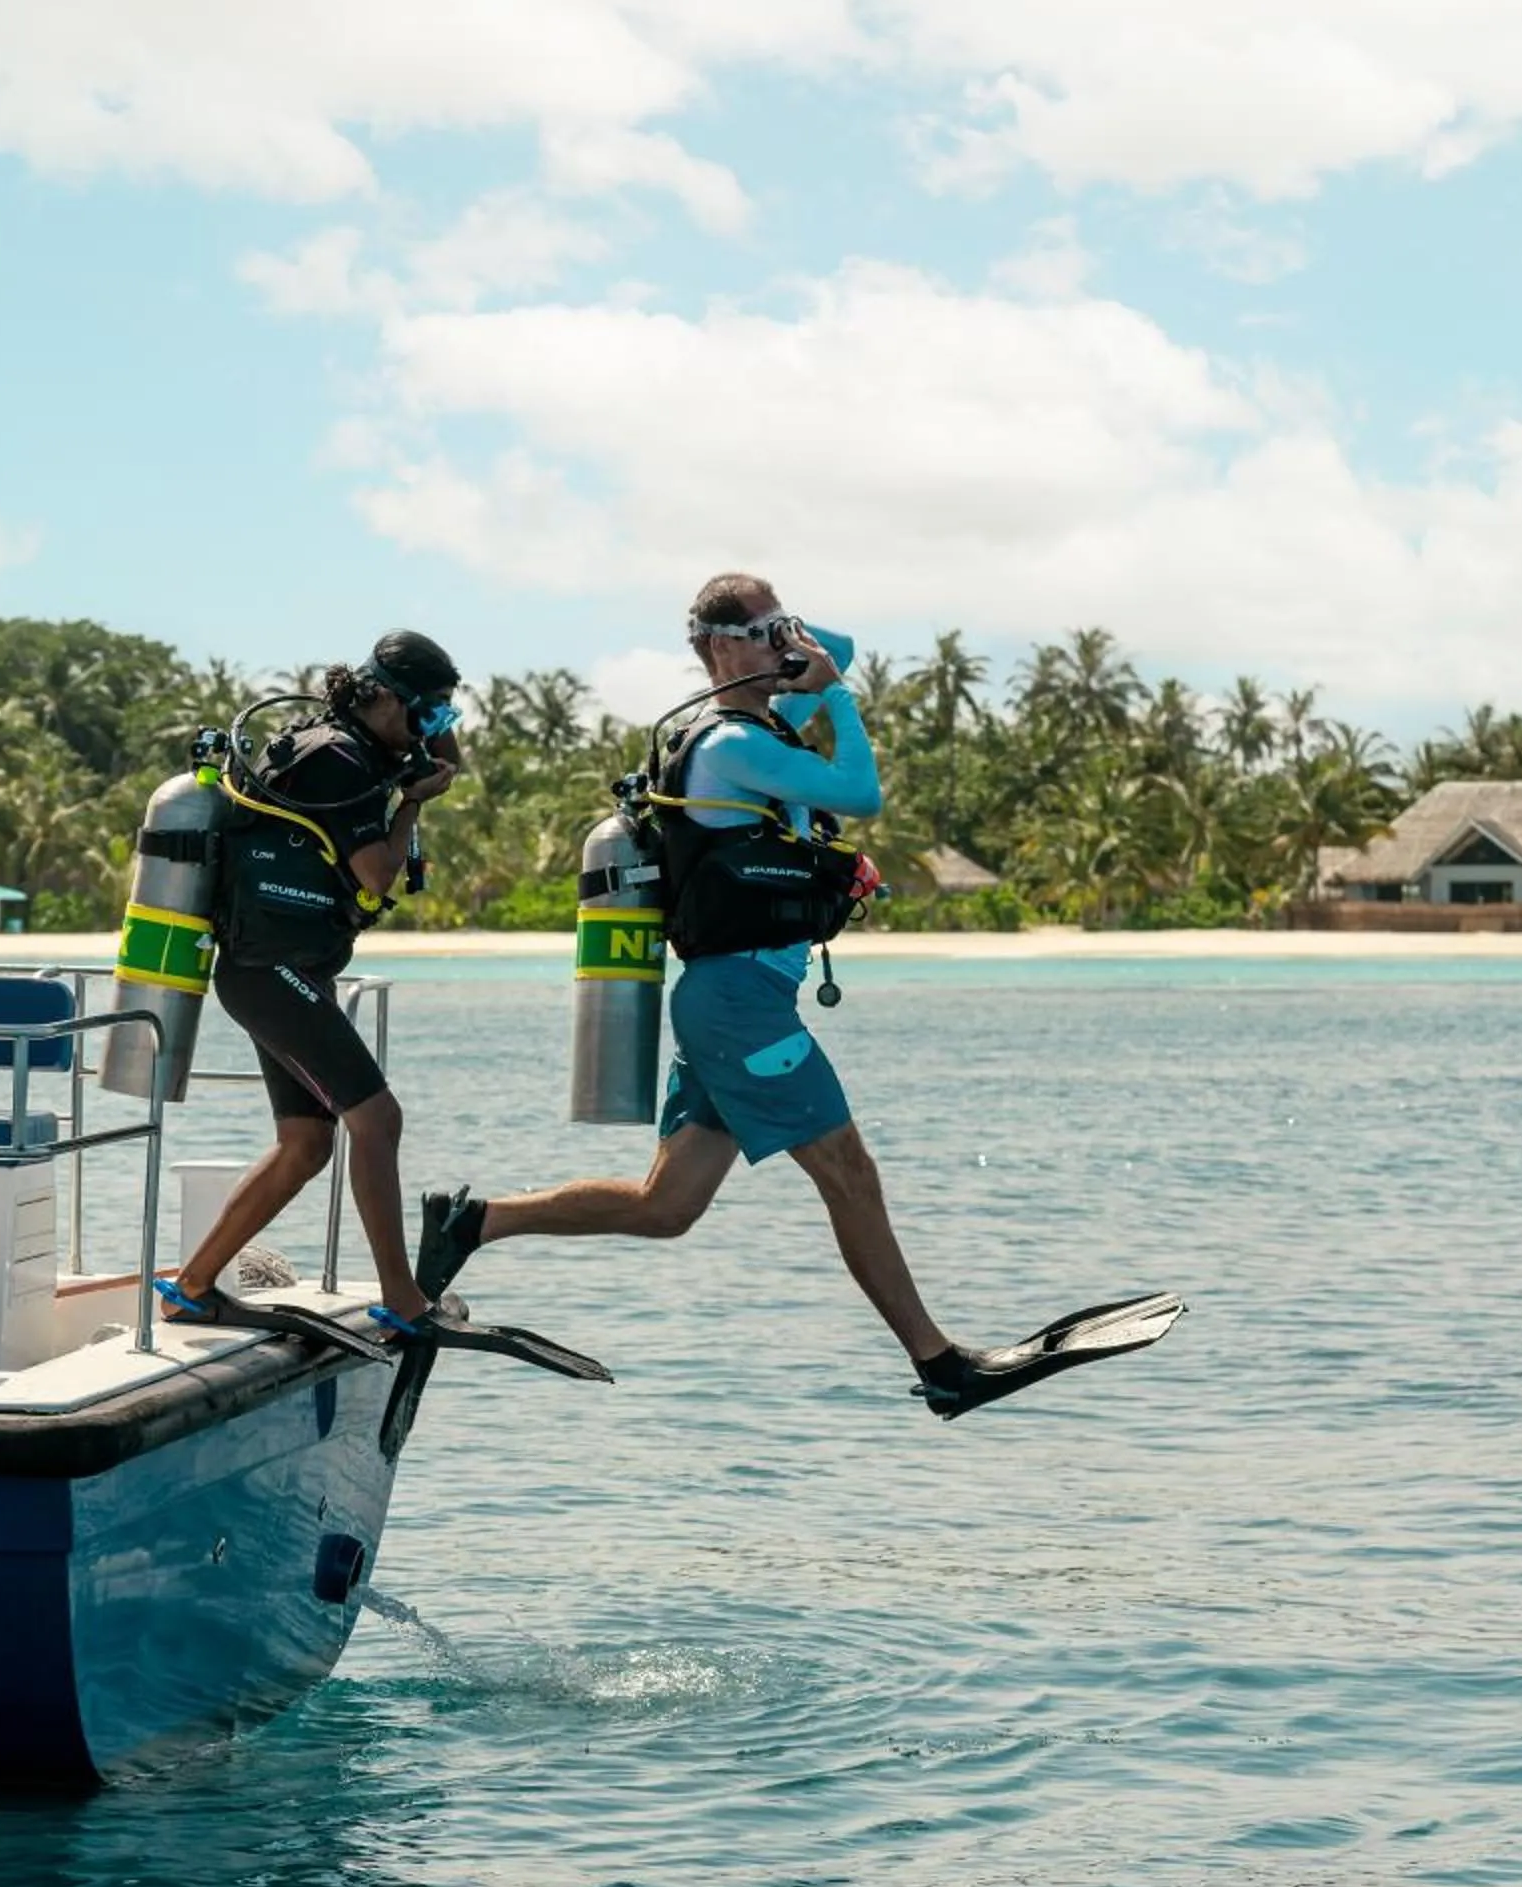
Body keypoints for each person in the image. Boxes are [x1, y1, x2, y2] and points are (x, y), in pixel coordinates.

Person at [415, 572, 996, 1414]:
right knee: (850, 1173)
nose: (786, 645)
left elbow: (844, 648)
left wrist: (785, 640)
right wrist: (838, 700)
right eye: (764, 632)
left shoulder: (754, 722)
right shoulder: (730, 746)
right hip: (739, 1007)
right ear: (722, 645)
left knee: (667, 1206)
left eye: (784, 629)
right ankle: (940, 1364)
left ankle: (472, 1220)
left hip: (736, 1000)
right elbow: (863, 793)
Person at [154, 630, 466, 1339]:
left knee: (306, 1143)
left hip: (280, 970)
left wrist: (434, 736)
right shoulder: (339, 761)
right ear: (381, 695)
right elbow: (377, 875)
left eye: (441, 716)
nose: (431, 731)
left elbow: (448, 763)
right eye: (424, 714)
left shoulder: (348, 746)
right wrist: (411, 805)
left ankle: (192, 1289)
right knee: (378, 1120)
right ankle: (404, 1300)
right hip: (273, 972)